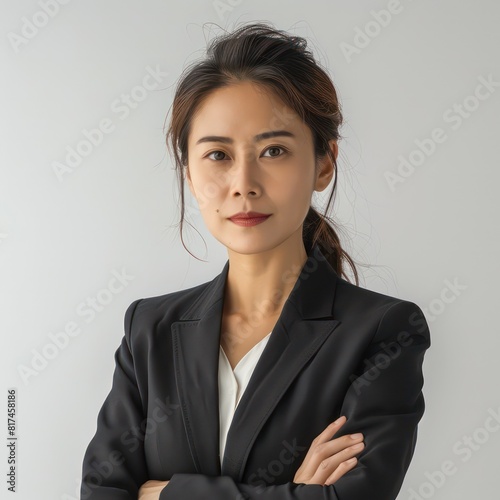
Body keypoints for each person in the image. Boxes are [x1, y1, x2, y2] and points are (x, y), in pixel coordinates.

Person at [80, 22, 431, 500]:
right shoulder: (150, 329)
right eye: (218, 155)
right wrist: (293, 492)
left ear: (324, 163)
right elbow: (101, 493)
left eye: (274, 150)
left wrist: (163, 494)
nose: (243, 182)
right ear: (189, 172)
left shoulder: (382, 331)